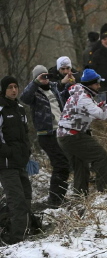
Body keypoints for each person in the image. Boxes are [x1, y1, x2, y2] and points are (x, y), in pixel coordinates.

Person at [57, 69, 107, 195]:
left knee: (81, 166)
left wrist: (106, 102)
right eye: (97, 84)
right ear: (90, 84)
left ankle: (80, 196)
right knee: (101, 157)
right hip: (72, 135)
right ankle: (105, 192)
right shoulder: (83, 97)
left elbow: (93, 109)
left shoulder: (81, 93)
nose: (99, 86)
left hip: (65, 134)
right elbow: (100, 115)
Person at [20, 65, 71, 208]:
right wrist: (36, 82)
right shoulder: (34, 93)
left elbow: (59, 84)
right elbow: (24, 98)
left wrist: (65, 80)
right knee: (61, 164)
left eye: (46, 75)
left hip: (61, 131)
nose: (45, 78)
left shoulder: (53, 87)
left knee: (65, 164)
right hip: (47, 134)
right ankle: (55, 201)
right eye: (41, 76)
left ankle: (57, 197)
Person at [0, 76, 33, 245]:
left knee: (26, 196)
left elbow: (25, 133)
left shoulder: (20, 109)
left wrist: (27, 151)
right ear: (3, 90)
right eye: (10, 87)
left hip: (20, 162)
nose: (13, 90)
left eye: (15, 86)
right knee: (16, 200)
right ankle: (16, 240)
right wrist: (9, 152)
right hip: (5, 165)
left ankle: (22, 229)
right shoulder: (0, 109)